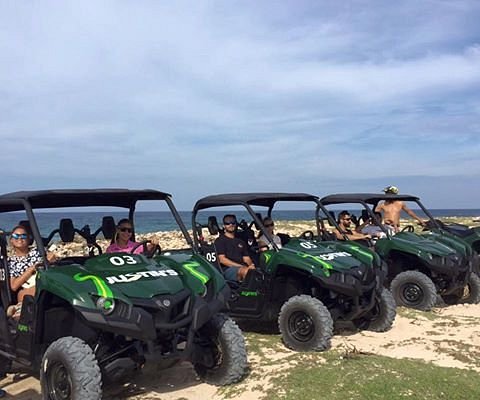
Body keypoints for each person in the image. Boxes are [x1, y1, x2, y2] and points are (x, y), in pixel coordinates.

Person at [7, 225, 55, 319]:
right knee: (33, 290)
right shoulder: (11, 262)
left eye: (23, 236)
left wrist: (51, 259)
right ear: (11, 240)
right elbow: (14, 286)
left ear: (29, 239)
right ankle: (20, 309)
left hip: (46, 279)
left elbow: (51, 259)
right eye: (16, 236)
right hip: (29, 287)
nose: (20, 238)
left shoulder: (38, 252)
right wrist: (32, 268)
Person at [214, 215, 256, 281]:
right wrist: (241, 266)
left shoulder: (240, 241)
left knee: (257, 272)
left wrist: (252, 266)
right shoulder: (220, 241)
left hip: (243, 267)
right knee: (247, 272)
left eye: (233, 222)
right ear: (224, 225)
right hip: (228, 269)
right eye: (227, 223)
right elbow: (222, 259)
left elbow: (246, 258)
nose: (231, 224)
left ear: (236, 224)